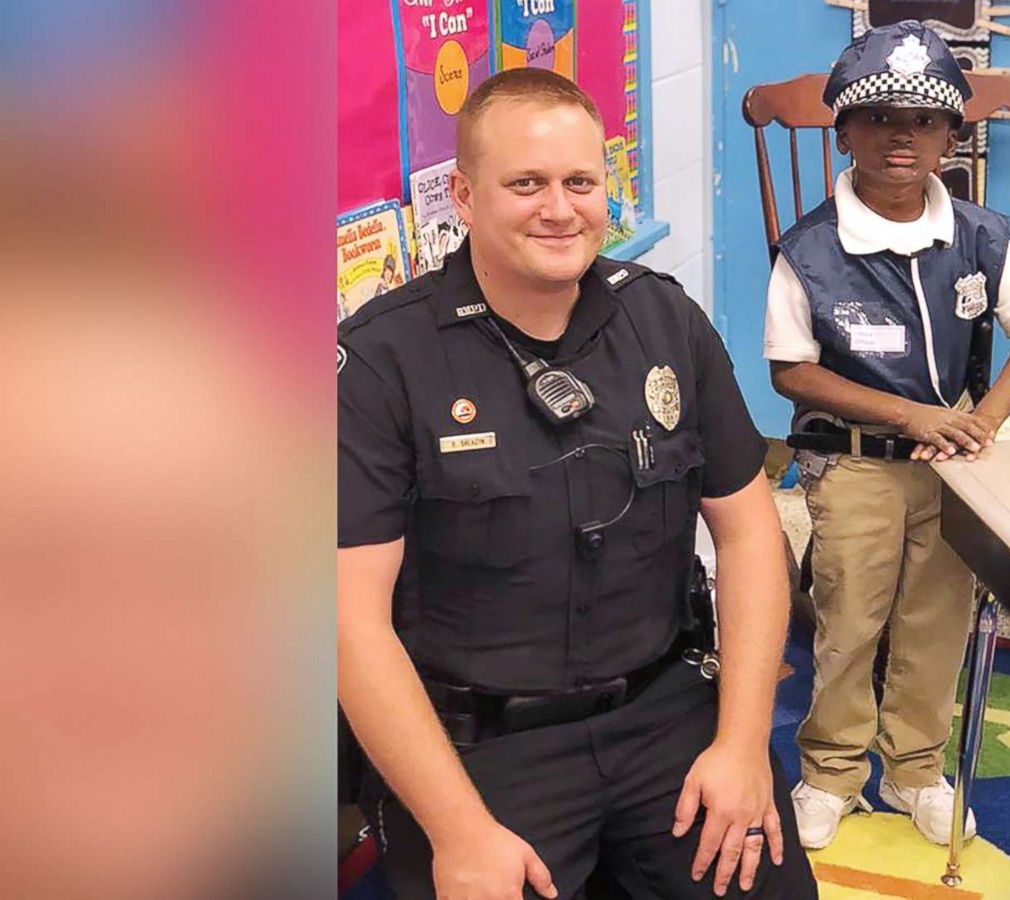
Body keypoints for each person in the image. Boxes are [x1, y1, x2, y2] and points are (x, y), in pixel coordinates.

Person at [338, 68, 818, 900]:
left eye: (580, 182)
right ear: (462, 193)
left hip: (667, 706)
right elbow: (348, 622)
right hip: (482, 747)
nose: (559, 209)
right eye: (526, 183)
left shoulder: (666, 320)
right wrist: (458, 831)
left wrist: (742, 746)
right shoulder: (381, 361)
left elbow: (748, 533)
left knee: (765, 882)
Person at [761, 21, 1010, 849]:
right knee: (849, 617)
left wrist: (984, 419)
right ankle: (830, 771)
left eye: (925, 120)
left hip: (954, 468)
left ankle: (917, 767)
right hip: (855, 464)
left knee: (937, 620)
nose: (903, 135)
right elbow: (791, 371)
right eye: (880, 117)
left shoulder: (978, 235)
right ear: (846, 131)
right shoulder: (812, 249)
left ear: (951, 136)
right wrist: (910, 414)